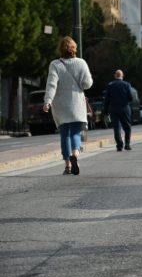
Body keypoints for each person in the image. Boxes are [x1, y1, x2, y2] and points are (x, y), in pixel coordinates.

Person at [42, 36, 93, 175]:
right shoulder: (81, 63)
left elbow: (51, 84)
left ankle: (68, 165)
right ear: (74, 48)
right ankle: (75, 154)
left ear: (60, 49)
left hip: (60, 105)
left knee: (65, 134)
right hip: (76, 103)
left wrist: (47, 101)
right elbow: (87, 83)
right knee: (76, 132)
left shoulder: (55, 65)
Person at [103, 69, 133, 151]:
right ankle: (127, 144)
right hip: (124, 108)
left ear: (115, 76)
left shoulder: (110, 85)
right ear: (122, 76)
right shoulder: (127, 84)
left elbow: (107, 99)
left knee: (116, 128)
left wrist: (105, 111)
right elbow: (130, 97)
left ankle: (119, 145)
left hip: (113, 109)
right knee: (127, 127)